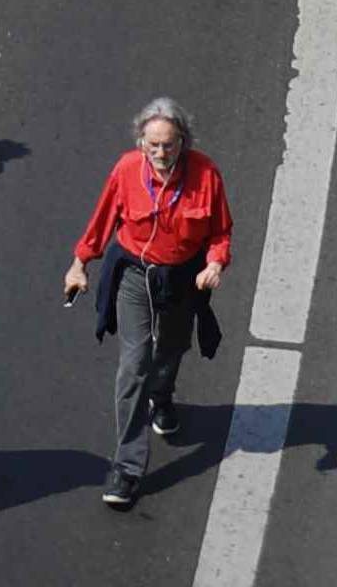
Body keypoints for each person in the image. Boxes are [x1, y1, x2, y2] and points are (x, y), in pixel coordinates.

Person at [64, 101, 233, 510]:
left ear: (183, 143)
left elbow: (220, 231)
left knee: (171, 349)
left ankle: (163, 395)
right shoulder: (126, 170)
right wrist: (79, 264)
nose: (161, 154)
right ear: (141, 142)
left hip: (181, 277)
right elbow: (102, 220)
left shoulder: (206, 173)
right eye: (153, 145)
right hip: (135, 277)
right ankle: (127, 466)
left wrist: (215, 262)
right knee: (134, 363)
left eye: (169, 145)